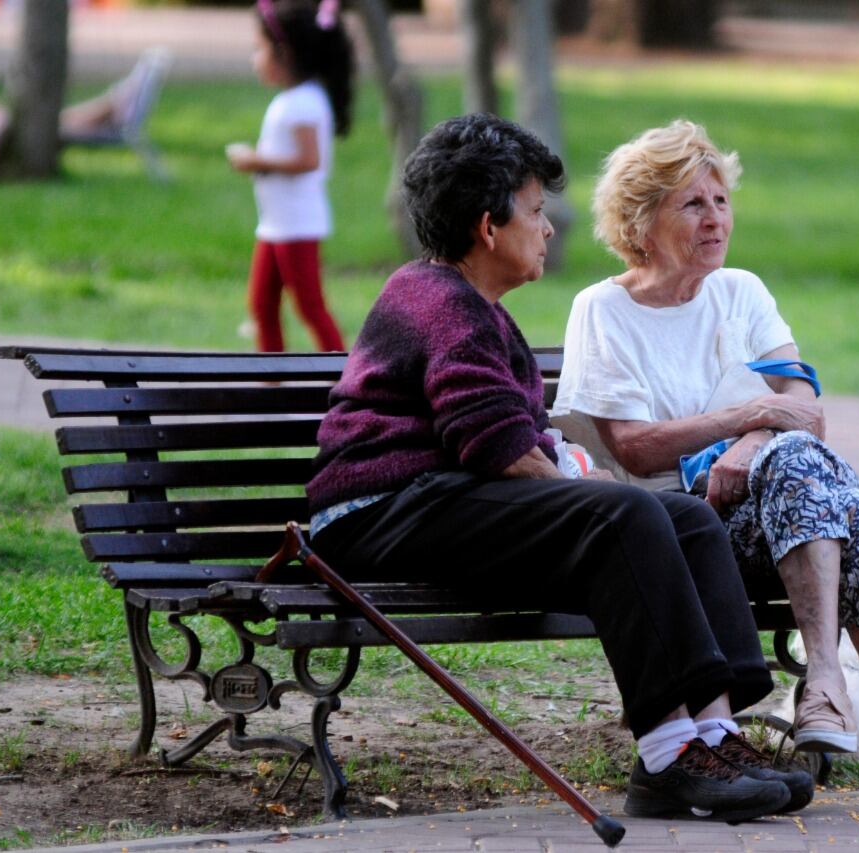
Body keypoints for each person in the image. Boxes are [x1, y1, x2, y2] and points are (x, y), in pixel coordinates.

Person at [304, 113, 815, 823]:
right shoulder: (443, 302)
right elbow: (497, 447)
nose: (547, 228)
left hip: (439, 500)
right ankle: (668, 755)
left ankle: (714, 734)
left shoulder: (472, 304)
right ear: (489, 227)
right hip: (379, 513)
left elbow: (507, 441)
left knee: (689, 519)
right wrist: (584, 486)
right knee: (624, 512)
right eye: (535, 211)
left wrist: (577, 481)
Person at [553, 120, 859, 807]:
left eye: (721, 201)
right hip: (677, 534)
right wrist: (749, 417)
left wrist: (752, 440)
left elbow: (804, 409)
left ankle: (827, 683)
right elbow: (636, 445)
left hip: (778, 517)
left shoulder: (741, 291)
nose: (716, 219)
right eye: (693, 204)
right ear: (640, 223)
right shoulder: (604, 310)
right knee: (839, 502)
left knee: (805, 470)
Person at [226, 0, 351, 353]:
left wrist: (255, 161)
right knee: (262, 305)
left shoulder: (301, 103)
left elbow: (309, 160)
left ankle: (344, 374)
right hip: (276, 222)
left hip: (297, 224)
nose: (254, 59)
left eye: (259, 49)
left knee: (310, 306)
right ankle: (270, 379)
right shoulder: (297, 100)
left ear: (284, 53)